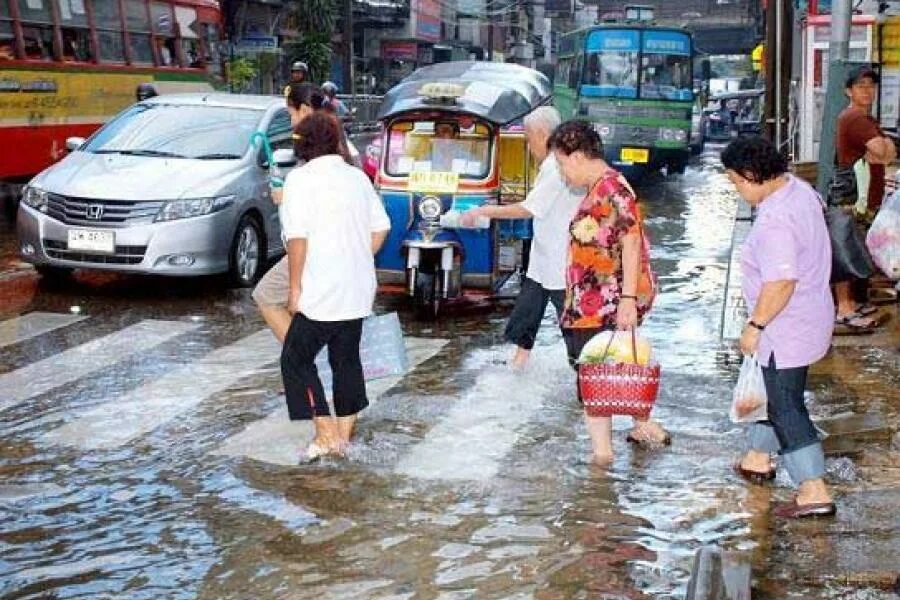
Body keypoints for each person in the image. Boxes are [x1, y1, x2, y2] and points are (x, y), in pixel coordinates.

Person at [722, 136, 836, 519]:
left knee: (786, 405)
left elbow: (781, 282)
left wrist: (755, 325)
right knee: (774, 393)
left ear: (753, 175)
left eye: (736, 181)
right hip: (811, 315)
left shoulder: (774, 221)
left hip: (784, 327)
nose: (736, 189)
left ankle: (813, 489)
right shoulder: (798, 191)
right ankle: (757, 457)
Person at [546, 120, 669, 464]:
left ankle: (603, 457)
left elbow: (631, 242)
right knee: (604, 371)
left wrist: (627, 300)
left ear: (577, 156)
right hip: (593, 300)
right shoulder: (603, 187)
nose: (563, 173)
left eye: (561, 164)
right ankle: (643, 428)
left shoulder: (612, 189)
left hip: (602, 302)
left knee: (595, 375)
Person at [280, 111, 391, 461]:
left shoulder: (299, 181)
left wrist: (294, 288)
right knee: (346, 359)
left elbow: (297, 239)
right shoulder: (356, 178)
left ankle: (326, 432)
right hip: (357, 286)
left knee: (295, 359)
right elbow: (381, 227)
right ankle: (343, 438)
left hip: (321, 288)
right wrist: (355, 256)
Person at [460, 106, 582, 369]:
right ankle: (520, 357)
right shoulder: (553, 164)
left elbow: (528, 208)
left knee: (570, 319)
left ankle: (584, 368)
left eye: (528, 138)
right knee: (528, 306)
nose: (528, 146)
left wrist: (484, 211)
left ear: (541, 134)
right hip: (545, 254)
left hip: (561, 257)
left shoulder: (555, 166)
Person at [252, 84, 345, 343]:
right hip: (337, 253)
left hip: (316, 248)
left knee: (267, 295)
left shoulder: (321, 149)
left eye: (291, 114)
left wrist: (288, 196)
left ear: (304, 110)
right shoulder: (337, 141)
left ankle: (301, 360)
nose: (291, 122)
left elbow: (301, 236)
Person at [833, 65, 896, 331]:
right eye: (861, 86)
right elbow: (883, 151)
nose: (867, 91)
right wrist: (882, 149)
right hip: (852, 196)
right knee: (845, 248)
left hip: (863, 196)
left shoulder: (865, 119)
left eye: (871, 86)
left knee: (856, 248)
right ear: (849, 91)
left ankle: (856, 301)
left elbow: (885, 154)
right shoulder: (856, 119)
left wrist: (883, 150)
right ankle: (845, 308)